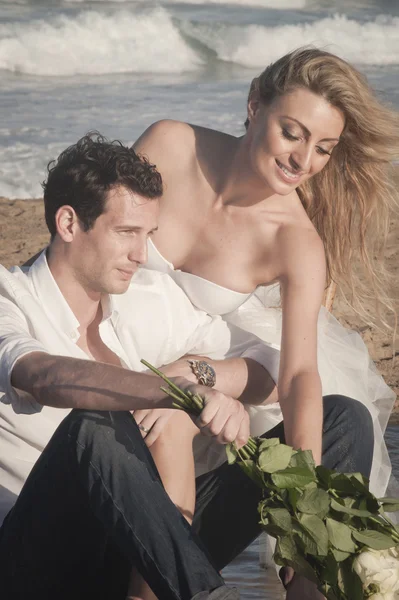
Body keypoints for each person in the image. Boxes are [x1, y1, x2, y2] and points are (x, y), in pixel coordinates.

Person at [0, 134, 374, 600]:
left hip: (147, 550)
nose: (141, 255)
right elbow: (43, 375)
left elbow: (272, 365)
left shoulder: (142, 298)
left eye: (148, 236)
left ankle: (311, 586)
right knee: (95, 424)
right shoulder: (9, 298)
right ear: (70, 222)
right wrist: (171, 394)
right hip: (38, 560)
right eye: (126, 233)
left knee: (343, 418)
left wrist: (201, 375)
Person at [131, 46, 398, 598]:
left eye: (322, 148)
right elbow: (91, 236)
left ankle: (299, 574)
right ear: (255, 104)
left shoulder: (294, 239)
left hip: (190, 403)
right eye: (292, 132)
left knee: (342, 419)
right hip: (115, 364)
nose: (303, 161)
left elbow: (300, 375)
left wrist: (303, 507)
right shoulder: (170, 146)